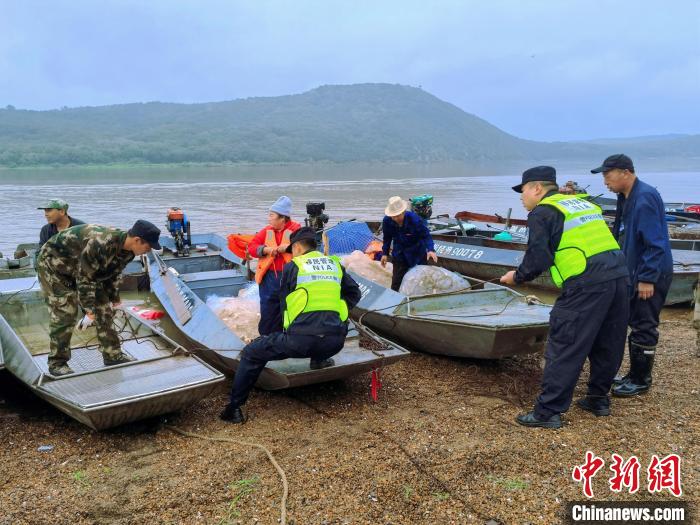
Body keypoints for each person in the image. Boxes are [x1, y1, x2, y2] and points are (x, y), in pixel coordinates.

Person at [500, 166, 629, 429]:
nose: (521, 198)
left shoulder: (543, 212)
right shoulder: (580, 204)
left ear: (537, 189)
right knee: (608, 341)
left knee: (565, 342)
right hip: (619, 276)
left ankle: (548, 412)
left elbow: (538, 258)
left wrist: (517, 277)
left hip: (586, 282)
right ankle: (597, 399)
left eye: (523, 191)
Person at [221, 227, 362, 424]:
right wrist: (339, 311)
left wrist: (271, 336)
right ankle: (319, 360)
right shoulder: (334, 264)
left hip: (300, 342)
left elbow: (283, 305)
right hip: (335, 342)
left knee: (252, 353)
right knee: (319, 323)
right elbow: (354, 293)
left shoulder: (293, 267)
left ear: (296, 247)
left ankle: (233, 408)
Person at [592, 154, 674, 397]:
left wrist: (648, 278)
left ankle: (641, 379)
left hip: (651, 272)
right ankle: (632, 374)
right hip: (634, 270)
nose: (605, 181)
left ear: (625, 172)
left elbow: (656, 242)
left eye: (608, 175)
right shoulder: (625, 197)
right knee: (632, 320)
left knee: (644, 324)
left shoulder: (645, 197)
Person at [36, 220, 161, 376]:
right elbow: (85, 279)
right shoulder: (100, 243)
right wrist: (89, 311)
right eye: (147, 247)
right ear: (137, 240)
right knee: (65, 313)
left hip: (80, 266)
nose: (147, 251)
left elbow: (111, 275)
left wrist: (115, 300)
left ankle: (112, 355)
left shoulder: (128, 251)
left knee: (105, 309)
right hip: (53, 264)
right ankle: (57, 363)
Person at [248, 196, 301, 335]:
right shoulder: (266, 231)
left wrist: (288, 248)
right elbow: (252, 247)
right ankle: (266, 338)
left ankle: (290, 337)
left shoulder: (297, 230)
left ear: (282, 218)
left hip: (291, 276)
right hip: (269, 277)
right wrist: (265, 250)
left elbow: (305, 248)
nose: (269, 218)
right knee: (268, 309)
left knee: (291, 308)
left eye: (271, 215)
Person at [380, 196, 438, 291]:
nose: (395, 218)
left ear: (403, 212)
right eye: (393, 216)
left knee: (422, 280)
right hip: (400, 254)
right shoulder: (387, 221)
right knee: (396, 283)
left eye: (398, 215)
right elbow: (387, 238)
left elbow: (426, 235)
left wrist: (431, 250)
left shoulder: (414, 219)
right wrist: (385, 254)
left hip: (418, 253)